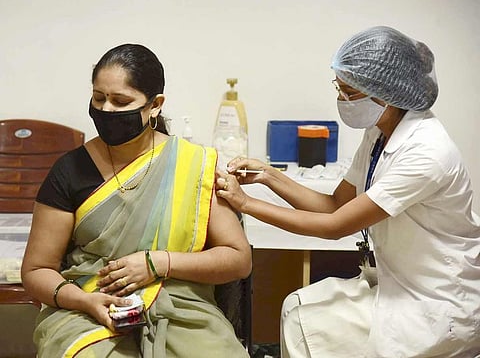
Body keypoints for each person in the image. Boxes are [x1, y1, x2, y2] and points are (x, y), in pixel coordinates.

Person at [216, 26, 480, 357]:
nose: (341, 99)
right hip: (397, 282)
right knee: (296, 306)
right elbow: (334, 204)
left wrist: (246, 203)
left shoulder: (426, 152)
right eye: (339, 89)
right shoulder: (380, 132)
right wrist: (268, 176)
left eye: (348, 92)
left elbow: (336, 226)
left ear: (383, 93)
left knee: (307, 326)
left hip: (437, 303)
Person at [21, 43, 252, 358]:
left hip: (183, 309)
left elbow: (237, 259)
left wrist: (158, 263)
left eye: (120, 101)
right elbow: (36, 270)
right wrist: (85, 301)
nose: (106, 110)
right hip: (87, 308)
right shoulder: (70, 170)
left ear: (155, 105)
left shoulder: (192, 165)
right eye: (98, 98)